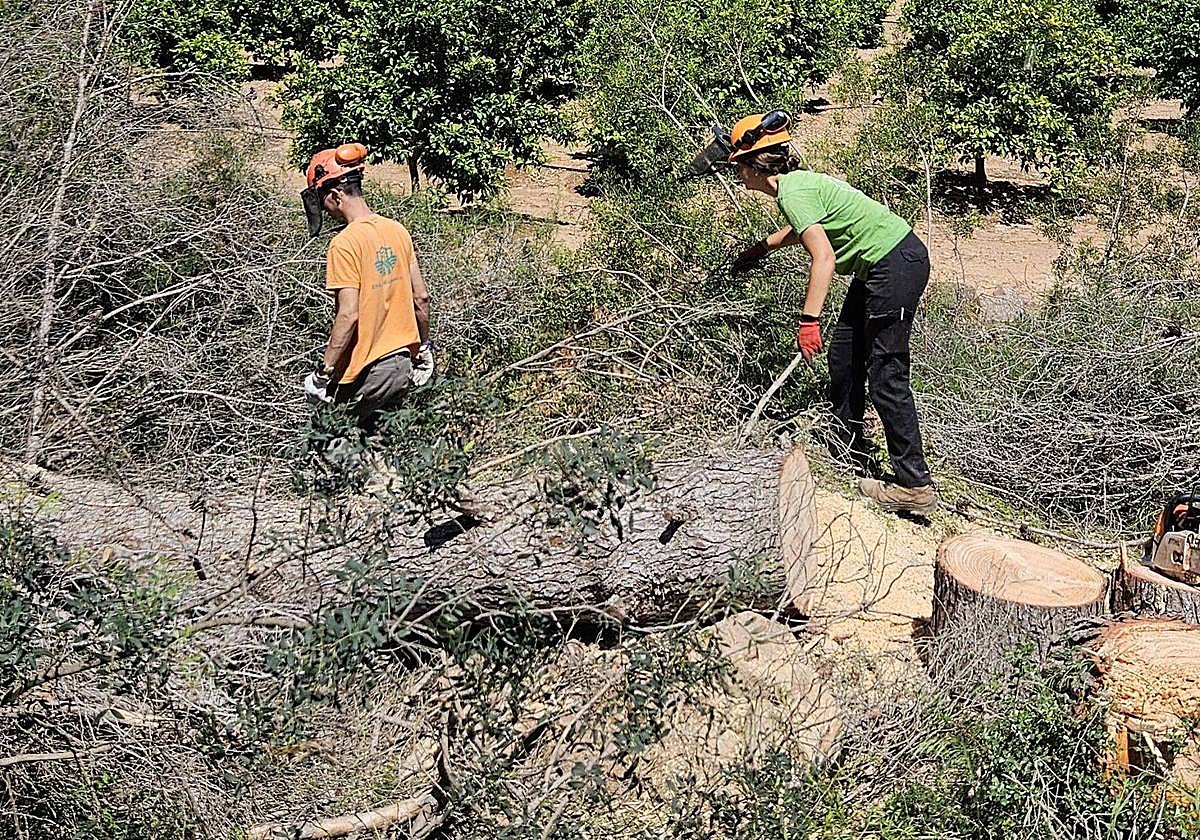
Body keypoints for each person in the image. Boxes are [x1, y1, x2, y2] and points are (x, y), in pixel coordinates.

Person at [725, 112, 937, 514]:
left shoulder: (792, 192)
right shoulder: (798, 185)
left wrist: (809, 321)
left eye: (737, 165)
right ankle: (849, 449)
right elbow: (806, 227)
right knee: (844, 357)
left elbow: (822, 256)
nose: (737, 173)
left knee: (886, 375)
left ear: (751, 165)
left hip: (894, 265)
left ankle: (914, 485)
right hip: (883, 265)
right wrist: (761, 249)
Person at [300, 143, 434, 432]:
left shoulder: (344, 244)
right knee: (379, 444)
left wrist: (322, 374)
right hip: (401, 368)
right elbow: (421, 297)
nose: (326, 210)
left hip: (365, 373)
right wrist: (423, 349)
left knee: (330, 441)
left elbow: (349, 315)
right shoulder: (397, 230)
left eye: (323, 201)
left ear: (335, 195)